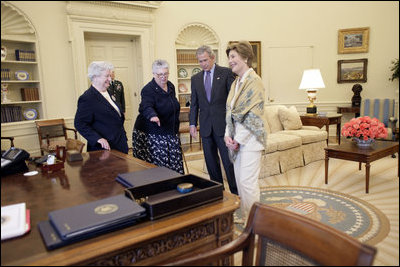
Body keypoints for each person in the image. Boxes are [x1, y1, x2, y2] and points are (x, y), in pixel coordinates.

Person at [224, 41, 267, 219]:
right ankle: (247, 216)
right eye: (229, 57)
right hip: (236, 140)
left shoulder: (255, 82)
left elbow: (253, 115)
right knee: (240, 183)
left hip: (250, 140)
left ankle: (254, 223)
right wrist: (227, 135)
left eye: (233, 56)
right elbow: (230, 112)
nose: (230, 61)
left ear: (245, 57)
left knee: (247, 183)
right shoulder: (236, 83)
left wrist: (238, 140)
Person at [189, 45, 238, 195]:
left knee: (228, 162)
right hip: (205, 127)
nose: (202, 64)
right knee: (211, 163)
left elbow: (232, 100)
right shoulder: (195, 78)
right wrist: (192, 123)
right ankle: (218, 193)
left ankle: (236, 193)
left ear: (212, 58)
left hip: (223, 127)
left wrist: (233, 124)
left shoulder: (226, 73)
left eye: (205, 60)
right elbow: (194, 103)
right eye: (200, 61)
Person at [132, 59, 184, 174]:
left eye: (166, 73)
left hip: (170, 130)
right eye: (160, 74)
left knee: (174, 163)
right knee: (159, 167)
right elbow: (145, 106)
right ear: (154, 74)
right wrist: (152, 115)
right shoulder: (148, 89)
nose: (163, 77)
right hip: (153, 132)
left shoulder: (170, 86)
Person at [74, 61, 128, 154]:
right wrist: (97, 139)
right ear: (95, 77)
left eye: (110, 76)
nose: (110, 79)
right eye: (107, 76)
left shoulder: (109, 92)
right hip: (103, 150)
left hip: (120, 144)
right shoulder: (87, 98)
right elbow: (80, 123)